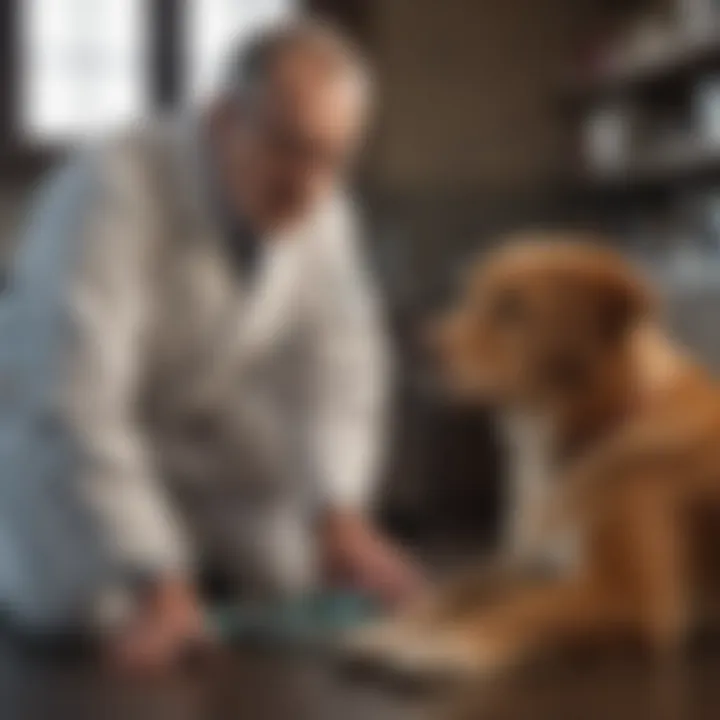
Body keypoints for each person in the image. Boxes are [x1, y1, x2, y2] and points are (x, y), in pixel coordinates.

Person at [0, 19, 422, 671]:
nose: (307, 185)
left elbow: (341, 367)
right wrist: (158, 579)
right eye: (288, 148)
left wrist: (340, 516)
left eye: (331, 157)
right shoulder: (112, 186)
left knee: (292, 584)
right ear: (224, 118)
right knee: (93, 629)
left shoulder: (323, 203)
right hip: (66, 455)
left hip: (201, 451)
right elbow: (76, 400)